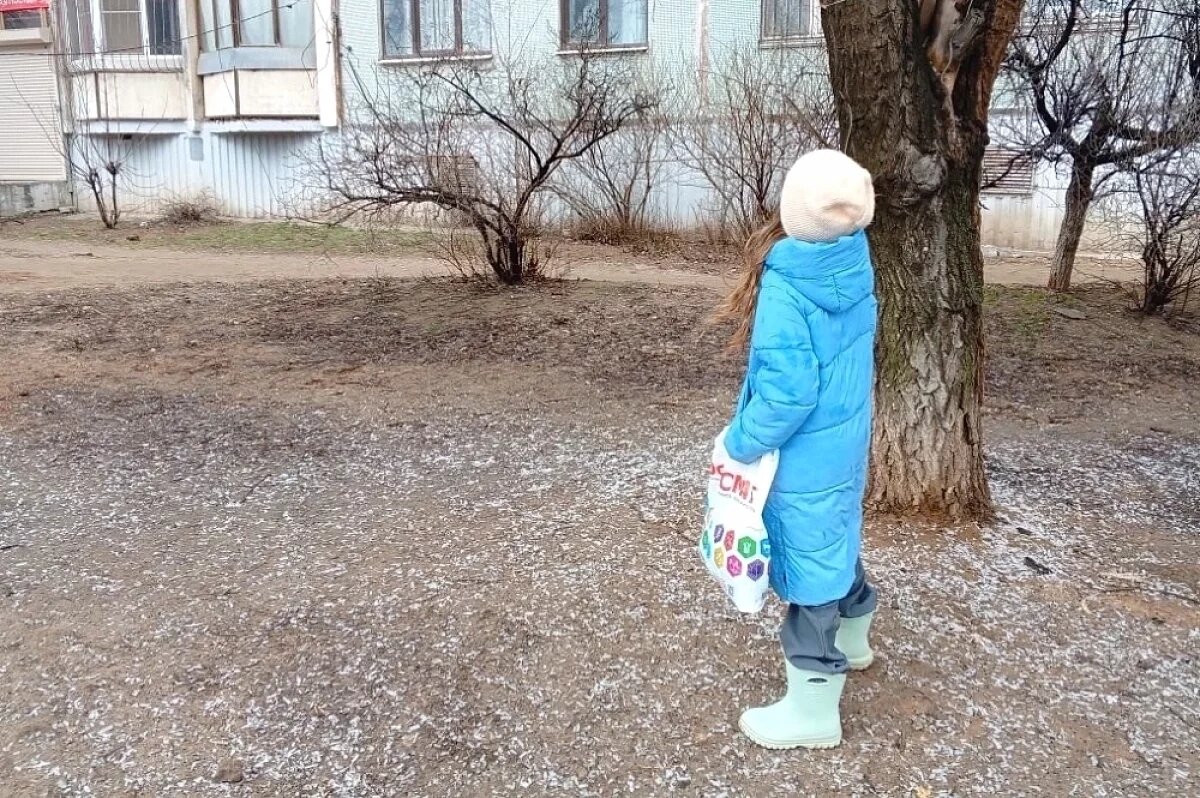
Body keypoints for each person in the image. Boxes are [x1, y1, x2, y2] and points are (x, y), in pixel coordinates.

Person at [719, 149, 880, 750]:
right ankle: (856, 637)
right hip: (843, 451)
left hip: (801, 461)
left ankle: (814, 708)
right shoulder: (855, 266)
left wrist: (740, 443)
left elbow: (787, 395)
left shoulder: (788, 288)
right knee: (834, 539)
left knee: (811, 570)